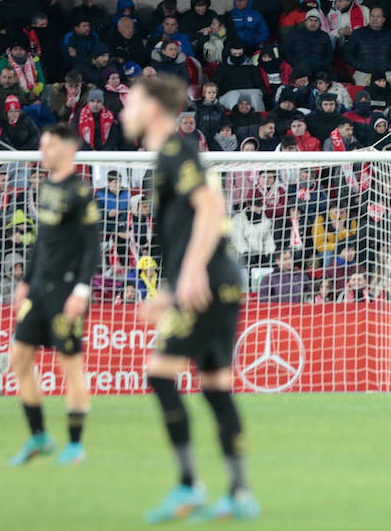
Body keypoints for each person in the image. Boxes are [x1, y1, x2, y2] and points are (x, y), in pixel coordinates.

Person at [119, 77, 258, 522]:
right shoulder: (168, 156)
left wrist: (191, 274)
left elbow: (210, 209)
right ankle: (238, 493)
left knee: (160, 375)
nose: (124, 108)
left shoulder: (176, 151)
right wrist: (169, 285)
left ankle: (188, 487)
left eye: (132, 101)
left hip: (209, 282)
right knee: (216, 387)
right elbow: (184, 233)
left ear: (153, 110)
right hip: (220, 281)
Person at [6, 125, 99, 468]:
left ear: (67, 148)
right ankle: (39, 437)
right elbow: (42, 241)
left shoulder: (80, 192)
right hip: (39, 289)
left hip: (66, 290)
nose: (42, 151)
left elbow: (92, 247)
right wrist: (25, 282)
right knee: (18, 358)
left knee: (70, 365)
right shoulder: (45, 186)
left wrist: (81, 290)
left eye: (47, 146)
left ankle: (75, 444)